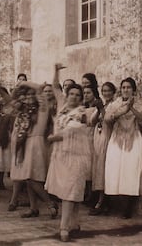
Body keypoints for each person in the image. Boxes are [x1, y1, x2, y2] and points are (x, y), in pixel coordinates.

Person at [45, 83, 92, 242]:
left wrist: (53, 138)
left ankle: (64, 227)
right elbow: (57, 90)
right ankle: (74, 223)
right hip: (62, 155)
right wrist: (56, 71)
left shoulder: (81, 112)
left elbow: (70, 130)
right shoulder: (63, 108)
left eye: (77, 95)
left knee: (71, 191)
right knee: (70, 191)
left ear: (81, 98)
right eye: (71, 94)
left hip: (77, 155)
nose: (74, 97)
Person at [104, 77, 142, 219]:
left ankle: (128, 207)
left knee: (131, 171)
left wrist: (132, 108)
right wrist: (123, 110)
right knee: (115, 170)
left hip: (133, 139)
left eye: (128, 87)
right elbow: (107, 119)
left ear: (134, 90)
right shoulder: (115, 104)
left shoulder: (141, 105)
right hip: (117, 140)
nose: (125, 90)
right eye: (123, 87)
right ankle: (116, 205)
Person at [9, 82, 58, 219]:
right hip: (25, 144)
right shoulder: (23, 110)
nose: (30, 97)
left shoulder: (42, 108)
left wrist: (25, 82)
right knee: (27, 177)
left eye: (32, 94)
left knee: (32, 179)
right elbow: (13, 99)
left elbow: (39, 90)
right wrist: (19, 88)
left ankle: (50, 203)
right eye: (27, 94)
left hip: (36, 143)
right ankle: (33, 208)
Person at [89, 82, 116, 215]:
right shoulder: (102, 104)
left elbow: (109, 120)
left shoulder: (114, 105)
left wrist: (102, 110)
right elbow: (92, 121)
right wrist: (99, 109)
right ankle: (100, 199)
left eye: (109, 91)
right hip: (98, 138)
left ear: (113, 92)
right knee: (98, 168)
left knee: (104, 169)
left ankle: (102, 202)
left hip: (107, 136)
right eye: (104, 91)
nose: (106, 93)